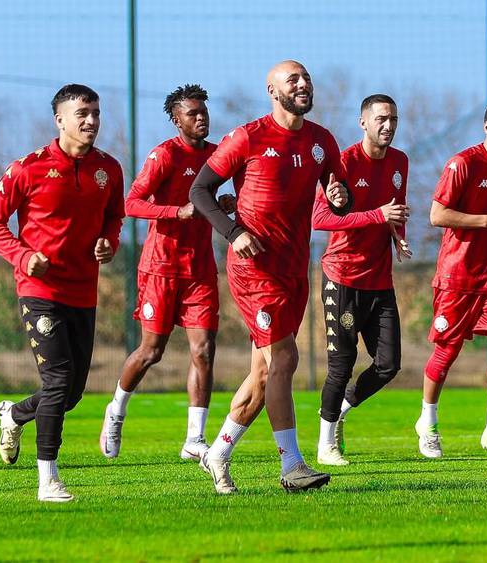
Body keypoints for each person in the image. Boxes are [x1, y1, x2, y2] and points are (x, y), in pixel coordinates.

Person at [189, 60, 349, 494]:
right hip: (254, 268)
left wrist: (340, 197)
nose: (303, 84)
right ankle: (292, 465)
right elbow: (199, 191)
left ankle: (217, 453)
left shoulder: (321, 141)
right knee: (284, 359)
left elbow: (340, 195)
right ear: (272, 91)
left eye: (306, 78)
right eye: (292, 79)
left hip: (294, 269)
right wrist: (233, 232)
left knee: (263, 374)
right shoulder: (248, 137)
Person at [0, 84, 124, 502]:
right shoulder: (28, 168)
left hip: (84, 291)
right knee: (58, 381)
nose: (91, 121)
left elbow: (114, 217)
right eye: (82, 114)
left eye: (95, 113)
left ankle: (13, 414)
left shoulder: (109, 169)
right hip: (40, 289)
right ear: (60, 120)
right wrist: (23, 256)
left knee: (70, 394)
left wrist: (109, 243)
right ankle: (48, 480)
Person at [100, 84, 233, 461]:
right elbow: (132, 203)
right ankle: (116, 410)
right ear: (177, 120)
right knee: (151, 351)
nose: (201, 118)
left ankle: (195, 439)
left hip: (200, 270)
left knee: (204, 350)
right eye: (193, 113)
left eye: (204, 111)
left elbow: (209, 200)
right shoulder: (164, 155)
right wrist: (178, 211)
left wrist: (221, 204)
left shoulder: (217, 156)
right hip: (160, 268)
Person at [416, 99, 487, 458]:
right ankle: (427, 424)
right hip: (458, 275)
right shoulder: (462, 164)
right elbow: (437, 215)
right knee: (447, 352)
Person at [311, 94, 411, 465]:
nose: (388, 125)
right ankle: (325, 446)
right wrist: (376, 216)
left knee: (388, 364)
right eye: (381, 118)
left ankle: (341, 411)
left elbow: (394, 211)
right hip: (342, 277)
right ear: (363, 122)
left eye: (393, 119)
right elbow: (321, 219)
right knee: (341, 364)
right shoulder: (345, 163)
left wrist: (398, 236)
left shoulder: (400, 161)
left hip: (380, 280)